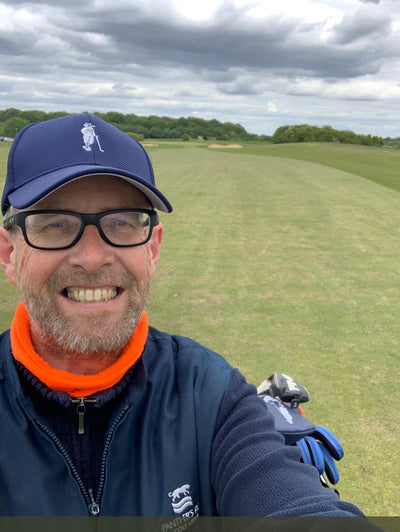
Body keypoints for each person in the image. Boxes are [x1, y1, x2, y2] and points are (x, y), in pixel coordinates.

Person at [0, 114, 365, 518]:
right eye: (54, 224)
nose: (91, 257)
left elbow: (295, 507)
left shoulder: (210, 393)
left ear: (152, 249)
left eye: (121, 223)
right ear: (9, 253)